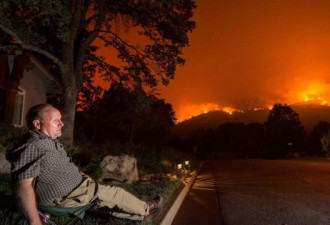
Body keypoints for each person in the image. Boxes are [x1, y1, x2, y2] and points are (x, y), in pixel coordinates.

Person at [6, 104, 162, 225]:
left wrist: (83, 176)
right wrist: (34, 221)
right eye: (56, 121)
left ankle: (142, 214)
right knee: (114, 193)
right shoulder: (33, 145)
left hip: (77, 189)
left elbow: (65, 166)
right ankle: (146, 208)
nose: (62, 124)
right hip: (63, 199)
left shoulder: (48, 141)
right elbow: (22, 185)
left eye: (61, 119)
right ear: (37, 124)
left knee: (106, 196)